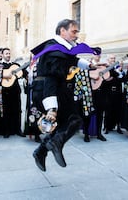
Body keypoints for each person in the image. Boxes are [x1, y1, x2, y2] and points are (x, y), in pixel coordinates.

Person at [30, 19, 96, 172]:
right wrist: (52, 108)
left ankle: (41, 151)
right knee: (73, 120)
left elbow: (73, 59)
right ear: (62, 31)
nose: (77, 35)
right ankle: (51, 146)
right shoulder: (54, 49)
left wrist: (90, 65)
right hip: (48, 90)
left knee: (67, 123)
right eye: (74, 31)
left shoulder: (62, 49)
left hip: (59, 90)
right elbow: (50, 78)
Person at [0, 48, 26, 138]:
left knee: (17, 110)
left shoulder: (15, 65)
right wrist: (5, 75)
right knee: (6, 110)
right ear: (2, 55)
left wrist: (22, 72)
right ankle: (6, 130)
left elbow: (23, 73)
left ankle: (18, 129)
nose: (8, 55)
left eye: (9, 53)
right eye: (6, 53)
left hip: (15, 90)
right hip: (5, 91)